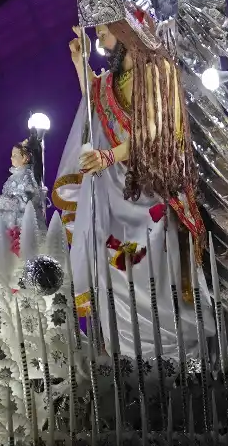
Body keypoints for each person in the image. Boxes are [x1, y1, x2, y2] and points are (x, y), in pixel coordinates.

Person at [53, 22, 206, 347]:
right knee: (116, 272)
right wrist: (81, 63)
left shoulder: (157, 70)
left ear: (125, 30)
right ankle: (126, 351)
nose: (100, 40)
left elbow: (155, 130)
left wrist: (109, 156)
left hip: (149, 186)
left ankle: (173, 348)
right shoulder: (111, 80)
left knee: (153, 270)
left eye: (104, 32)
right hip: (113, 190)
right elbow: (96, 106)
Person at [0, 137, 46, 265]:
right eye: (12, 155)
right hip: (11, 229)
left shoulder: (27, 177)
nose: (11, 158)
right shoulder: (12, 178)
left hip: (24, 230)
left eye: (15, 155)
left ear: (25, 158)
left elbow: (24, 203)